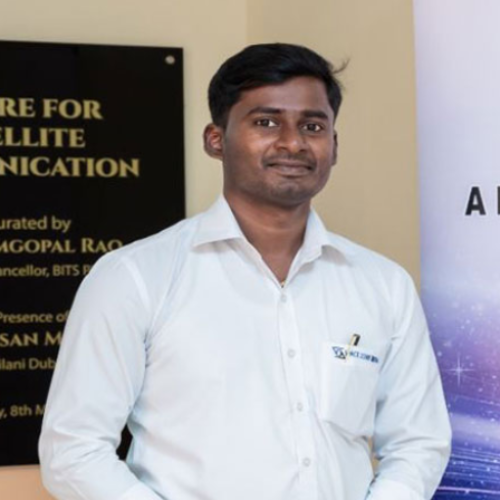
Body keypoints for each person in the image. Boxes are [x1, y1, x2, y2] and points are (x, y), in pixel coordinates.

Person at [39, 43, 451, 500]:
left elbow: (419, 443)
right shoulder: (134, 277)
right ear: (216, 139)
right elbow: (72, 451)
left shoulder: (383, 284)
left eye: (313, 126)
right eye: (266, 122)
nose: (293, 142)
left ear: (334, 146)